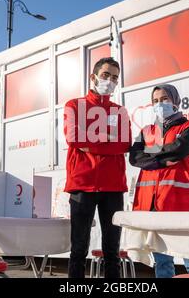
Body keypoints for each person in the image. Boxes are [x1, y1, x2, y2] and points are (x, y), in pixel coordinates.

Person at [64, 57, 132, 278]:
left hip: (113, 186)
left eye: (114, 77)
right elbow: (74, 138)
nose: (110, 80)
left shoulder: (119, 111)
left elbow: (124, 144)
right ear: (93, 77)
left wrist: (91, 142)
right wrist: (108, 140)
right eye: (105, 75)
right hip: (82, 185)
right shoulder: (74, 105)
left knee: (112, 250)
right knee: (78, 249)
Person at [129, 84, 189, 278]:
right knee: (162, 262)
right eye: (155, 101)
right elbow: (134, 157)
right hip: (153, 205)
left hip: (180, 202)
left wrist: (151, 157)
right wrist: (164, 160)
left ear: (175, 101)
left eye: (164, 99)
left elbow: (181, 149)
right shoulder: (146, 131)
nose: (159, 104)